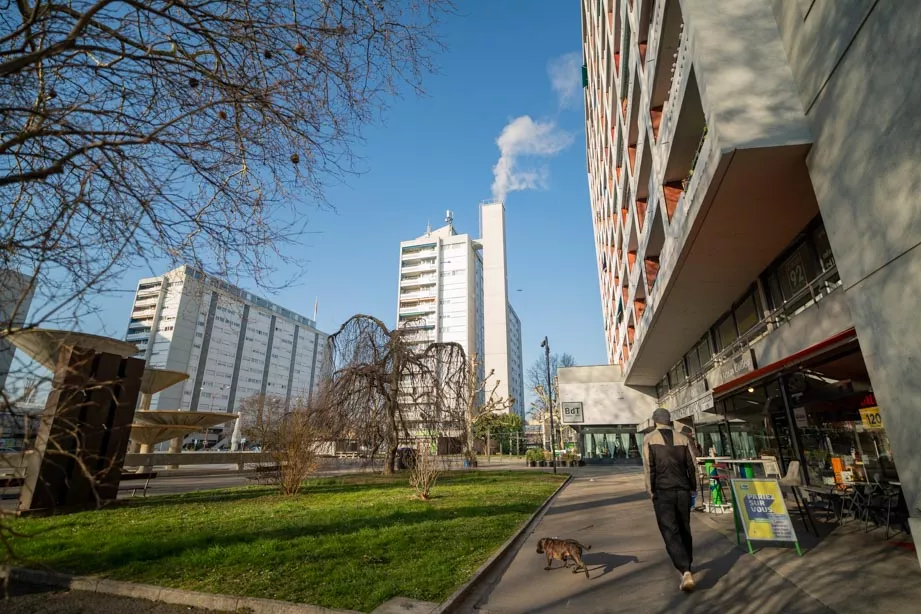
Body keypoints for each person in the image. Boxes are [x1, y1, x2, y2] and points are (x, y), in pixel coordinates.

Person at [643, 408, 698, 592]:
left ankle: (684, 569)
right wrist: (693, 487)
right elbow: (692, 465)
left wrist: (651, 490)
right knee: (684, 527)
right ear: (669, 420)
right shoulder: (683, 438)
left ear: (655, 421)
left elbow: (649, 467)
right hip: (683, 490)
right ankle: (687, 564)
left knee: (670, 530)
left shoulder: (649, 439)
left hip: (662, 491)